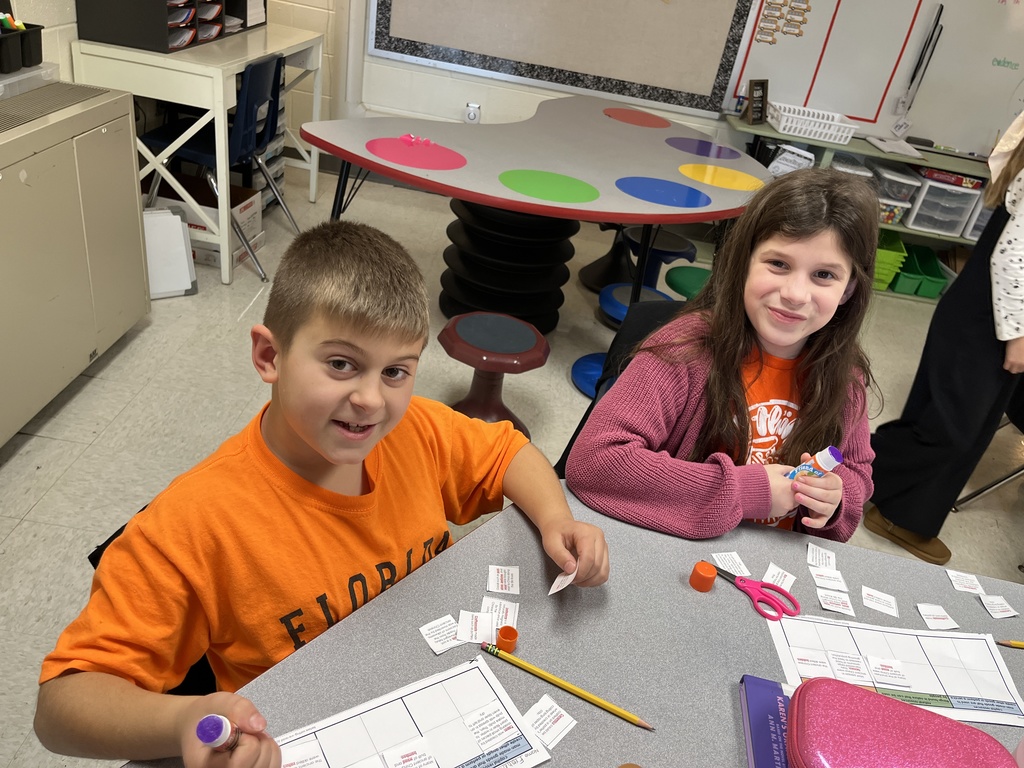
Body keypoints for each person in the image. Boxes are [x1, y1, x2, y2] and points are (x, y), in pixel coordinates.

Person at [34, 221, 609, 767]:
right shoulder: (193, 524)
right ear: (269, 357)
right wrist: (186, 719)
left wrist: (556, 517)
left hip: (428, 697)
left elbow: (507, 452)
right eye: (341, 364)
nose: (371, 401)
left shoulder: (419, 432)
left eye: (396, 372)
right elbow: (60, 708)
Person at [565, 168, 878, 542]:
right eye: (778, 264)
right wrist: (747, 492)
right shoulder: (685, 349)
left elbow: (857, 474)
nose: (795, 294)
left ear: (848, 290)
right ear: (742, 262)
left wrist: (836, 496)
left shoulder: (847, 376)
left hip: (768, 562)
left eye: (824, 275)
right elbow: (594, 462)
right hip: (676, 550)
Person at [864, 116, 1024, 565]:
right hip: (988, 319)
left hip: (995, 317)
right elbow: (1012, 262)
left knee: (966, 428)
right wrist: (1016, 337)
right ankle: (838, 466)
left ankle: (904, 516)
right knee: (950, 429)